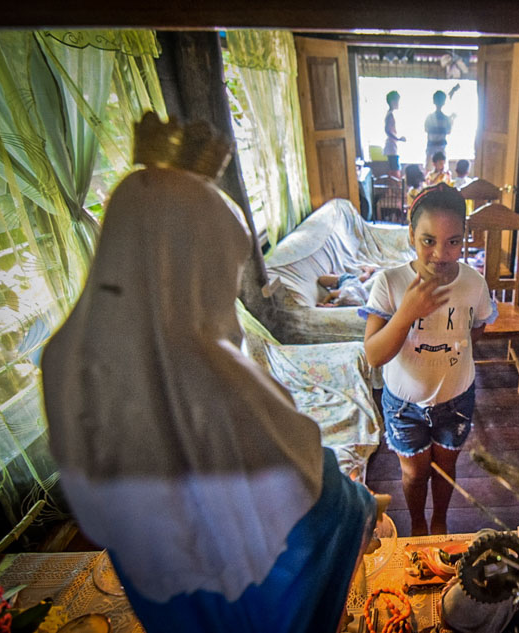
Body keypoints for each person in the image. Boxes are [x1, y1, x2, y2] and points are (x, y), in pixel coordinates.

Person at [41, 114, 378, 633]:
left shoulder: (65, 361)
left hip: (157, 588)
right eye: (222, 270)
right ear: (191, 264)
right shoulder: (212, 378)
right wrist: (359, 505)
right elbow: (314, 505)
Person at [361, 183, 497, 536]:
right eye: (428, 240)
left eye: (454, 241)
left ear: (465, 237)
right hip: (404, 405)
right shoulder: (390, 283)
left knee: (445, 469)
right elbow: (374, 355)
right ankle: (419, 522)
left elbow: (476, 328)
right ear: (410, 234)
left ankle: (439, 519)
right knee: (414, 472)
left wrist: (453, 349)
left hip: (456, 400)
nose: (441, 252)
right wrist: (407, 313)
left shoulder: (474, 283)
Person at [424, 85, 458, 168]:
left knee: (441, 169)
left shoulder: (445, 118)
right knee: (430, 168)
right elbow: (427, 129)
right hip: (432, 146)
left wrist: (451, 120)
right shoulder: (431, 117)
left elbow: (448, 131)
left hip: (440, 146)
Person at [383, 90, 406, 177]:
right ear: (393, 102)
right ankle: (395, 190)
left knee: (395, 170)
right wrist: (398, 139)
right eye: (397, 101)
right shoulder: (390, 115)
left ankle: (394, 189)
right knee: (395, 172)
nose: (398, 103)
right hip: (391, 146)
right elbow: (387, 130)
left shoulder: (390, 114)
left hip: (392, 146)